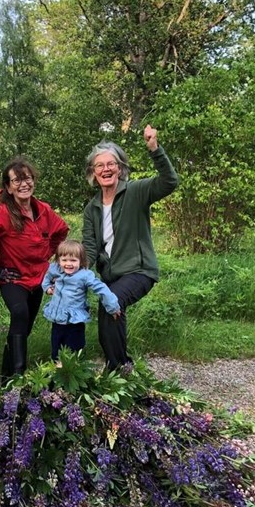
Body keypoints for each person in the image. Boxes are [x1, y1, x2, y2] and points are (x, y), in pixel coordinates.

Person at [0, 157, 69, 380]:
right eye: (17, 180)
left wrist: (46, 254)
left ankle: (6, 378)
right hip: (13, 278)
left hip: (39, 278)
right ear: (9, 187)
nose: (23, 184)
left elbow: (61, 231)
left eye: (27, 178)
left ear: (33, 181)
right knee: (19, 314)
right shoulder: (3, 213)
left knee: (24, 327)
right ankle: (19, 377)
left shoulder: (43, 210)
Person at [82, 125, 179, 371]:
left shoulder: (136, 191)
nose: (106, 169)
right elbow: (90, 248)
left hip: (139, 270)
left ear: (121, 168)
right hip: (111, 277)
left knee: (110, 301)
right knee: (109, 310)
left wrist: (154, 149)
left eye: (111, 164)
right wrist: (73, 272)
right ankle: (121, 368)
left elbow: (169, 182)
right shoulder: (91, 208)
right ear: (93, 173)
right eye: (99, 165)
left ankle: (118, 370)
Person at [41, 239, 121, 362]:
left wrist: (112, 306)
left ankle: (74, 373)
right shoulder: (55, 269)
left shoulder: (84, 275)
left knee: (74, 349)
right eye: (64, 260)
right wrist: (47, 288)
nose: (68, 264)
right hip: (58, 318)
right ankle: (57, 374)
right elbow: (46, 278)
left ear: (81, 261)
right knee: (56, 348)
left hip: (75, 321)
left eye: (73, 260)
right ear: (58, 260)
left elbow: (101, 288)